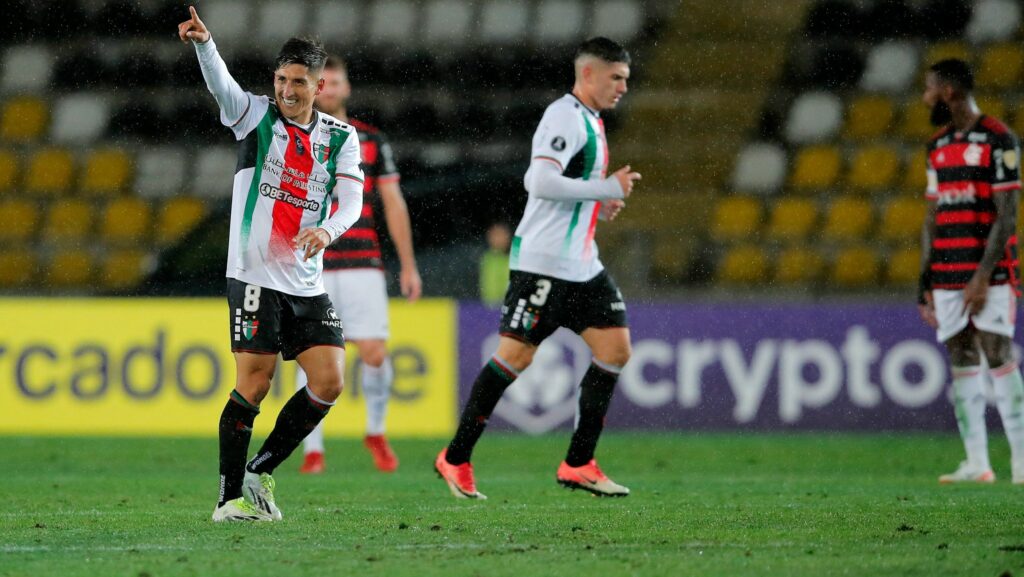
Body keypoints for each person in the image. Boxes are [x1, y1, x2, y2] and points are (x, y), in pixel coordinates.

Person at [178, 7, 365, 521]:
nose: (287, 90)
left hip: (306, 281)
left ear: (319, 84)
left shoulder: (340, 138)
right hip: (255, 275)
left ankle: (261, 470)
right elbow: (223, 87)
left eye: (298, 82)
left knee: (329, 381)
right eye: (281, 79)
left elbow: (351, 201)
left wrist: (326, 230)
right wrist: (204, 45)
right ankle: (226, 500)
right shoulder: (255, 116)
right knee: (254, 384)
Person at [434, 37, 640, 499]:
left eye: (626, 78)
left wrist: (599, 201)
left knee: (615, 349)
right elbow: (540, 180)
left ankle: (579, 462)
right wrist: (605, 186)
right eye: (616, 77)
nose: (623, 87)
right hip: (544, 265)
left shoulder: (592, 120)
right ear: (589, 74)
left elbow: (572, 187)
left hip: (582, 264)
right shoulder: (564, 116)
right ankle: (456, 456)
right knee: (515, 357)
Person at [295, 56, 422, 475]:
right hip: (312, 263)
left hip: (363, 262)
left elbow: (394, 203)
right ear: (314, 88)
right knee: (313, 357)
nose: (330, 88)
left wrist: (407, 264)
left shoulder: (371, 140)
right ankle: (312, 449)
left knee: (373, 352)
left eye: (337, 81)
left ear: (347, 88)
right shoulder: (294, 137)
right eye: (323, 82)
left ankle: (376, 431)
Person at [917, 59, 1024, 485]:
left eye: (929, 90)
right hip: (946, 272)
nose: (924, 98)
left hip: (990, 274)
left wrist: (982, 274)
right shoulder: (937, 146)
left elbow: (1008, 214)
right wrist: (924, 281)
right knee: (960, 357)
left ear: (947, 92)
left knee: (998, 354)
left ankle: (1021, 463)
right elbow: (931, 217)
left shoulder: (999, 139)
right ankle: (977, 463)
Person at [479, 222, 511, 307]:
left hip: (508, 303)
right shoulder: (486, 257)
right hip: (489, 304)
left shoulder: (513, 257)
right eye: (495, 236)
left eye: (501, 235)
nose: (498, 239)